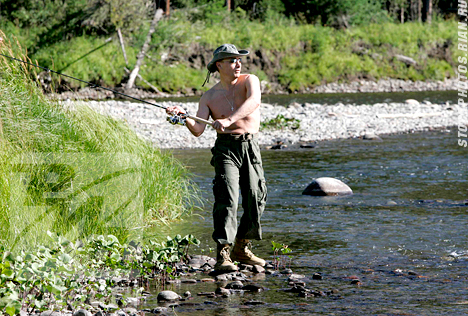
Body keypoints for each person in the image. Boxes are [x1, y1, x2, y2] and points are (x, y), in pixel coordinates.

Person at [166, 44, 267, 271]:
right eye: (232, 60)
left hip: (250, 146)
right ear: (219, 65)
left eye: (239, 60)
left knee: (256, 197)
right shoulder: (209, 97)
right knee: (227, 198)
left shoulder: (251, 80)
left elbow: (254, 102)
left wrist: (229, 119)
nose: (238, 64)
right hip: (225, 150)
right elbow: (198, 129)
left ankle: (242, 246)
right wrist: (181, 117)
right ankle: (224, 253)